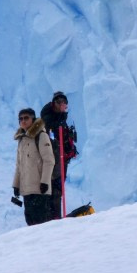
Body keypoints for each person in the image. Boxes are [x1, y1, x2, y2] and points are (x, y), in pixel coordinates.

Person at [12, 108, 55, 226]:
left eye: (26, 118)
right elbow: (19, 165)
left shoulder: (41, 136)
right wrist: (16, 185)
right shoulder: (21, 140)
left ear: (33, 119)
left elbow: (49, 160)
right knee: (31, 223)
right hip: (27, 190)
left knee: (42, 224)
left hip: (40, 190)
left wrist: (45, 182)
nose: (23, 121)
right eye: (20, 119)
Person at [40, 91, 78, 219]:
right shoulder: (49, 119)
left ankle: (54, 218)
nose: (62, 105)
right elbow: (52, 137)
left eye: (64, 103)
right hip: (54, 160)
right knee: (55, 190)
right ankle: (53, 219)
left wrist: (70, 150)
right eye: (59, 102)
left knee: (57, 189)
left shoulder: (61, 119)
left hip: (62, 159)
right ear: (54, 104)